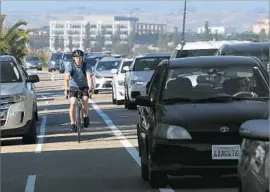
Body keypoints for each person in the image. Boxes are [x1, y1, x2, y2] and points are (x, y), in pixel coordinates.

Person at [64, 49, 93, 132]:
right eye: (77, 58)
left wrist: (90, 88)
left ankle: (86, 116)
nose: (78, 60)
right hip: (73, 87)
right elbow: (66, 78)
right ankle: (73, 123)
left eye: (80, 58)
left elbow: (88, 77)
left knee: (85, 99)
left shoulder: (86, 65)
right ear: (73, 58)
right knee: (73, 103)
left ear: (82, 58)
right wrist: (66, 89)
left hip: (84, 87)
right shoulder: (70, 65)